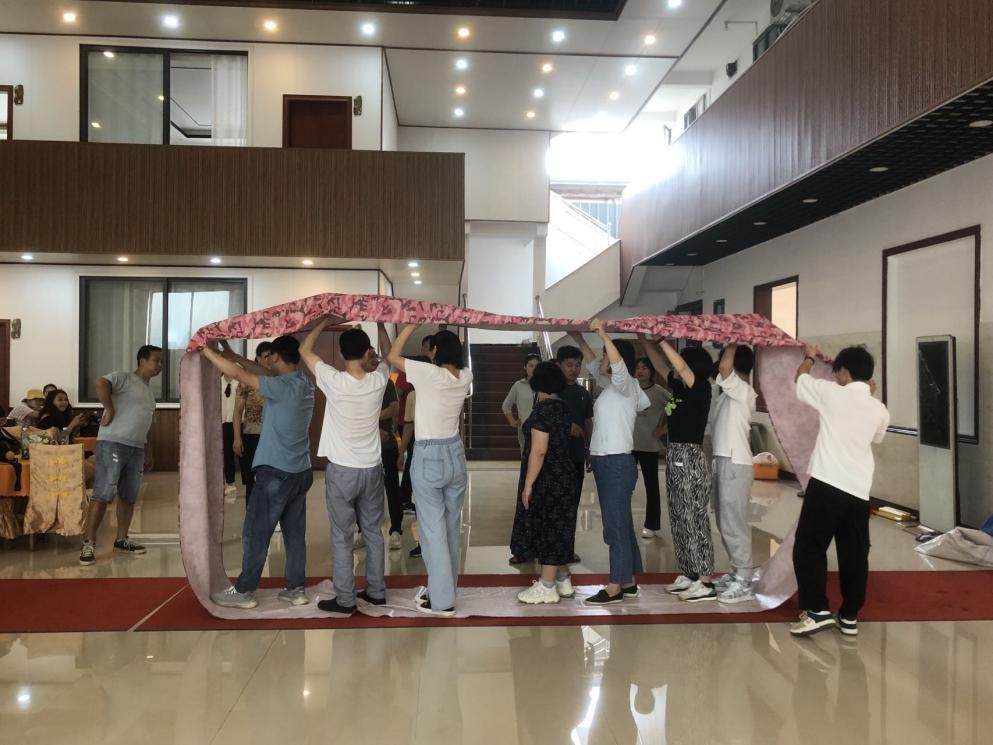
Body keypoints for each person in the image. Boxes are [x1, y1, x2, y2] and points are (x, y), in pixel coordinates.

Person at [204, 336, 315, 609]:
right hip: (300, 472)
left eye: (268, 357)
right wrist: (232, 354)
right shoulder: (303, 383)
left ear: (275, 356)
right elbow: (259, 372)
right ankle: (295, 589)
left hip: (275, 472)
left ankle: (244, 590)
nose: (264, 362)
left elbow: (238, 374)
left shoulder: (279, 387)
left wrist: (207, 352)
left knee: (256, 532)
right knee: (294, 535)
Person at [790, 345, 889, 638]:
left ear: (844, 372)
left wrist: (809, 356)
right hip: (858, 491)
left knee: (809, 546)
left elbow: (800, 379)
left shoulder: (831, 393)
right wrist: (868, 397)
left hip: (827, 484)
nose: (835, 378)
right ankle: (849, 616)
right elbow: (877, 438)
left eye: (837, 373)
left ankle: (816, 611)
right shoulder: (879, 409)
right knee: (854, 554)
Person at [299, 319, 393, 615]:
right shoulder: (378, 380)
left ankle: (345, 599)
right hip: (372, 469)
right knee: (373, 532)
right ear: (367, 352)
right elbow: (389, 355)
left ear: (340, 354)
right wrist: (380, 323)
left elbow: (304, 350)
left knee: (342, 536)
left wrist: (324, 322)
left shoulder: (334, 380)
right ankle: (376, 592)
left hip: (342, 471)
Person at [387, 326, 472, 617]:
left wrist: (410, 325)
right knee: (449, 528)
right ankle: (442, 591)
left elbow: (392, 356)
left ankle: (442, 601)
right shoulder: (466, 376)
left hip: (429, 454)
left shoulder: (428, 373)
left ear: (435, 351)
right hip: (455, 453)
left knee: (432, 530)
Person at [571, 322, 650, 605]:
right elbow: (595, 366)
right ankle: (628, 581)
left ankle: (615, 586)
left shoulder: (625, 384)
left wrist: (604, 335)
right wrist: (578, 338)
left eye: (606, 354)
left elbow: (615, 366)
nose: (602, 359)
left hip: (616, 463)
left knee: (614, 527)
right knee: (622, 524)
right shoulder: (612, 387)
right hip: (607, 462)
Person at [641, 337, 717, 602]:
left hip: (690, 457)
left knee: (695, 519)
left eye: (680, 364)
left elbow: (679, 367)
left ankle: (705, 581)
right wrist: (643, 339)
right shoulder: (681, 389)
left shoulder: (701, 389)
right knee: (679, 518)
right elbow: (661, 366)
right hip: (674, 455)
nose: (674, 369)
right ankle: (690, 573)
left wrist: (663, 340)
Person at [78, 345, 163, 566]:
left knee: (128, 495)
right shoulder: (124, 378)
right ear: (142, 361)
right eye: (156, 360)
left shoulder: (148, 393)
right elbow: (101, 383)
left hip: (136, 448)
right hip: (112, 443)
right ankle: (89, 542)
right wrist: (109, 408)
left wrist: (148, 450)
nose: (160, 365)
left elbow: (145, 424)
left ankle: (122, 539)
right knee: (103, 493)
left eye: (161, 361)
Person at [512, 362, 580, 604]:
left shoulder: (543, 411)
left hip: (548, 477)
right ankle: (562, 578)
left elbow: (539, 450)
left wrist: (528, 484)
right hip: (565, 473)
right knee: (559, 525)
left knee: (550, 526)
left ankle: (547, 586)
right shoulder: (563, 407)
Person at [709, 344, 758, 603]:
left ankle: (745, 580)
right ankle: (737, 570)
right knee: (723, 521)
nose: (720, 366)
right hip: (723, 459)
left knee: (733, 522)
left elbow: (725, 366)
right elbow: (725, 368)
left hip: (735, 462)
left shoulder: (743, 390)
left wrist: (731, 341)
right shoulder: (729, 391)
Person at [555, 343, 594, 564]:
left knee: (572, 503)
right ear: (559, 365)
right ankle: (551, 548)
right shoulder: (551, 392)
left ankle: (568, 548)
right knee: (555, 504)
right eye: (569, 365)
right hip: (555, 457)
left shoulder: (582, 393)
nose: (574, 369)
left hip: (577, 456)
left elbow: (588, 422)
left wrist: (590, 449)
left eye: (578, 365)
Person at [631, 356, 671, 540]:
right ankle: (625, 523)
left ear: (652, 371)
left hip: (649, 446)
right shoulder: (630, 389)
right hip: (628, 445)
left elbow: (676, 406)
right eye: (637, 368)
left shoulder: (659, 392)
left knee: (651, 486)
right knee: (625, 486)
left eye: (644, 368)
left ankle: (652, 525)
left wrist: (665, 427)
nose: (640, 371)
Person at [232, 342, 273, 504]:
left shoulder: (276, 379)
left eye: (272, 356)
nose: (270, 360)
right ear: (258, 358)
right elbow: (237, 411)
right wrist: (237, 438)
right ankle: (251, 513)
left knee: (271, 479)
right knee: (252, 481)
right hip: (252, 435)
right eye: (266, 356)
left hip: (272, 437)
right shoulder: (247, 380)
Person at [378, 372, 404, 550]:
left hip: (386, 445)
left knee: (392, 489)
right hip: (363, 449)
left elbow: (394, 408)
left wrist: (370, 417)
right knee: (365, 493)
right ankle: (363, 530)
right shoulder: (353, 383)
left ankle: (396, 529)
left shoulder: (385, 383)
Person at [502, 353, 541, 452]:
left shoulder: (545, 385)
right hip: (524, 429)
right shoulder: (518, 385)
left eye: (537, 366)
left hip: (542, 429)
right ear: (525, 367)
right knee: (526, 456)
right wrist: (512, 421)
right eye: (531, 365)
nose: (534, 369)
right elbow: (506, 406)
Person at [221, 375, 237, 496]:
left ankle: (250, 482)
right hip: (222, 422)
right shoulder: (217, 382)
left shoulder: (239, 382)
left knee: (242, 453)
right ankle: (229, 482)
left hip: (238, 422)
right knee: (226, 454)